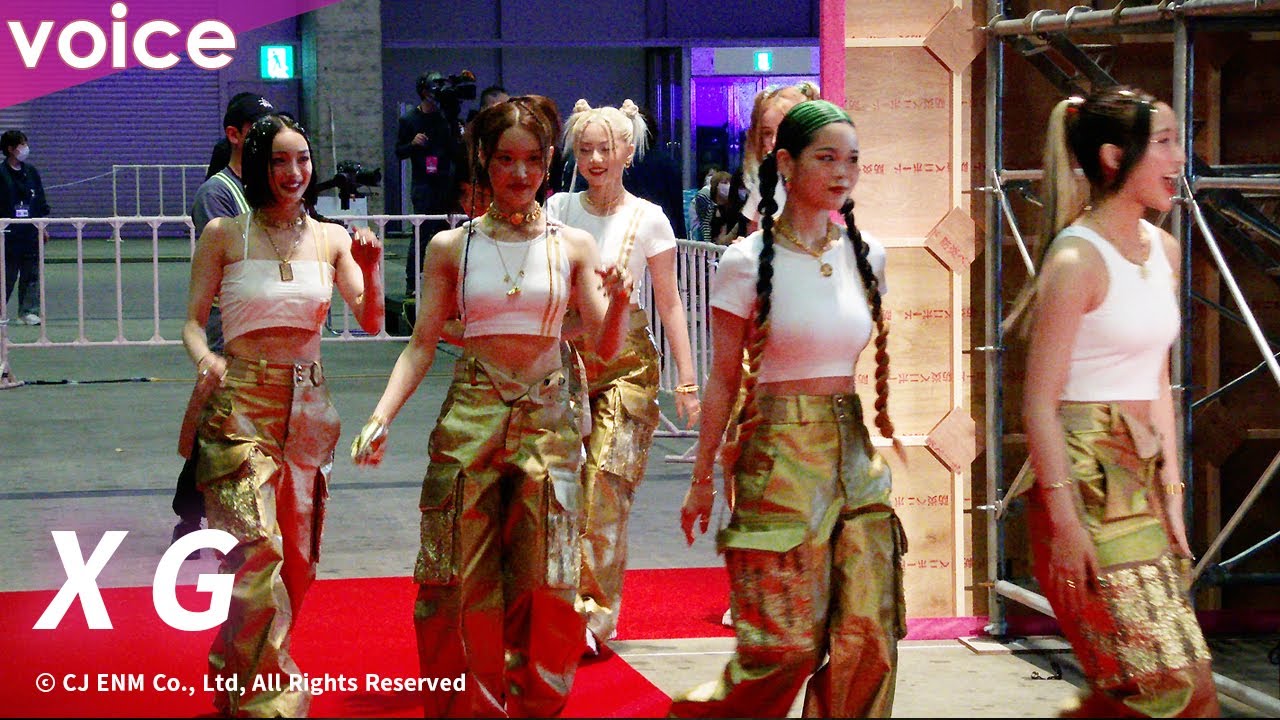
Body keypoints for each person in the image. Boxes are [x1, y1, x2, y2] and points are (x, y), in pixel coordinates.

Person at [350, 95, 631, 717]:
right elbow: (420, 345)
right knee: (453, 579)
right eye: (505, 159)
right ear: (484, 158)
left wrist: (618, 304)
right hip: (470, 419)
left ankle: (537, 706)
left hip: (550, 423)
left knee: (550, 580)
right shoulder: (451, 246)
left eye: (531, 159)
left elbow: (606, 346)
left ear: (548, 160)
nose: (519, 173)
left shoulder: (574, 246)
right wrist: (380, 416)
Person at [672, 100, 905, 718]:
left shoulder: (870, 255)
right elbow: (724, 379)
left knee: (870, 639)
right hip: (776, 456)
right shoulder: (745, 262)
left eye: (852, 159)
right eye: (826, 158)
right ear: (786, 163)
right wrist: (702, 478)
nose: (842, 172)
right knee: (786, 646)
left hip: (854, 456)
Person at [1011, 86, 1219, 717]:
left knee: (1171, 686)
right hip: (1086, 478)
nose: (1180, 158)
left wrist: (1173, 494)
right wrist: (1066, 522)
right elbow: (1038, 404)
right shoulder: (1077, 258)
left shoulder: (1165, 250)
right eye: (1165, 143)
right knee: (1168, 688)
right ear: (1112, 156)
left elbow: (1159, 381)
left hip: (1141, 478)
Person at [182, 112, 384, 716]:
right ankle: (269, 695)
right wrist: (206, 360)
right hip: (240, 405)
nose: (293, 172)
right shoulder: (224, 234)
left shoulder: (331, 237)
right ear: (257, 164)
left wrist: (373, 269)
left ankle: (236, 667)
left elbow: (372, 319)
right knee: (257, 549)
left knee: (298, 559)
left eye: (302, 160)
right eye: (279, 160)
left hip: (310, 408)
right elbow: (192, 322)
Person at [547, 98, 702, 655]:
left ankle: (594, 615)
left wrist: (687, 380)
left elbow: (671, 303)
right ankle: (557, 605)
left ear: (627, 152)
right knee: (560, 491)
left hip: (628, 366)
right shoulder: (558, 207)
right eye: (585, 149)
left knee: (606, 488)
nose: (594, 159)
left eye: (605, 149)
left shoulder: (650, 218)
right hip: (565, 360)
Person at [171, 93, 280, 550]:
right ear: (234, 135)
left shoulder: (274, 184)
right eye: (258, 127)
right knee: (221, 420)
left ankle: (238, 511)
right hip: (230, 326)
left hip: (272, 323)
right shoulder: (217, 194)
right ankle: (192, 512)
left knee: (247, 422)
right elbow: (236, 259)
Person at [396, 71, 459, 295]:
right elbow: (399, 152)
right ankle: (412, 283)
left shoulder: (445, 119)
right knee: (420, 234)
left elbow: (455, 150)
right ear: (423, 92)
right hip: (423, 184)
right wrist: (412, 144)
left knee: (447, 234)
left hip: (445, 182)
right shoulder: (409, 120)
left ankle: (446, 283)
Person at [740, 82, 820, 233]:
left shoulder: (822, 184)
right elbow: (752, 229)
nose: (774, 141)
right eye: (767, 133)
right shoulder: (767, 181)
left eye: (784, 130)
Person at [1, 130, 51, 326]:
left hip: (30, 231)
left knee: (31, 274)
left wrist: (42, 227)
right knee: (6, 275)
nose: (25, 148)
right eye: (22, 145)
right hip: (7, 233)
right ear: (10, 149)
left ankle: (28, 312)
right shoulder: (1, 174)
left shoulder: (31, 172)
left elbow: (39, 200)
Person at [622, 108, 687, 239]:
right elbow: (677, 211)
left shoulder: (618, 164)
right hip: (663, 234)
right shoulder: (668, 162)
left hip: (626, 233)